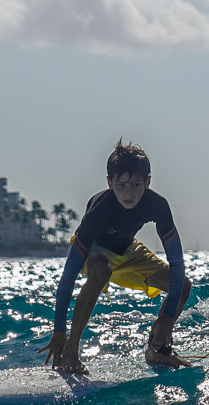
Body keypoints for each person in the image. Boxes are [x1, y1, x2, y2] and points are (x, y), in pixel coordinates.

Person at [47, 140, 193, 375]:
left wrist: (167, 316)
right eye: (121, 185)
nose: (129, 193)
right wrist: (59, 331)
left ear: (148, 181)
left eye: (136, 184)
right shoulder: (100, 210)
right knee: (101, 270)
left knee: (182, 286)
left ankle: (158, 350)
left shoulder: (157, 205)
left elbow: (176, 263)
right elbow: (69, 274)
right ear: (110, 182)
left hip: (127, 251)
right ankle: (70, 354)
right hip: (94, 252)